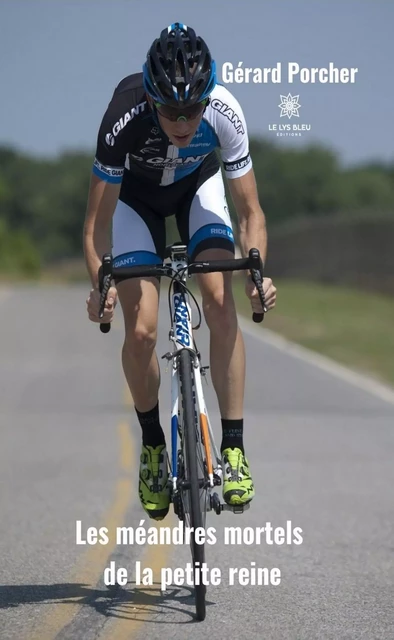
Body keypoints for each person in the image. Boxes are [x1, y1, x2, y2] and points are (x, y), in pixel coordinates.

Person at [84, 22, 277, 521]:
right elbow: (95, 229)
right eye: (171, 110)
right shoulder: (122, 115)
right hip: (136, 202)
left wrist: (258, 276)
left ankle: (232, 450)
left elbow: (251, 213)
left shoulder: (224, 111)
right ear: (151, 99)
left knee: (218, 299)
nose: (183, 121)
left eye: (192, 109)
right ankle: (153, 445)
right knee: (143, 330)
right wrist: (99, 284)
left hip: (197, 190)